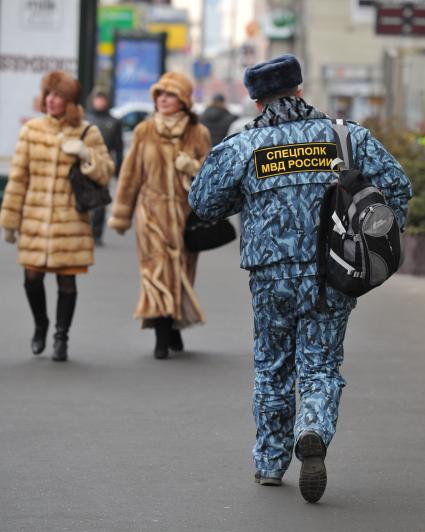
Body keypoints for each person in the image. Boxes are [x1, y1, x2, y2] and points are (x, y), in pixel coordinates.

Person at [189, 54, 412, 502]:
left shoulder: (241, 146)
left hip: (271, 276)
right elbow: (398, 187)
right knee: (321, 365)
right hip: (335, 269)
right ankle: (312, 427)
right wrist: (376, 243)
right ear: (299, 90)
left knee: (272, 367)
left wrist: (250, 197)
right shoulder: (346, 136)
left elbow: (204, 204)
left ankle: (270, 462)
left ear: (256, 103)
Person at [0, 71, 115, 362]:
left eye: (59, 96)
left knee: (67, 281)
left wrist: (85, 155)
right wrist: (10, 220)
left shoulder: (87, 131)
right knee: (31, 277)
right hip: (35, 217)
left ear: (71, 101)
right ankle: (41, 324)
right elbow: (18, 179)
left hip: (70, 219)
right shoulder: (32, 130)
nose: (51, 100)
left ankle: (61, 336)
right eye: (48, 95)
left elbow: (105, 172)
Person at [108, 72, 211, 360]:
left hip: (185, 216)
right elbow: (130, 175)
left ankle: (173, 325)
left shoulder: (198, 133)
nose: (163, 100)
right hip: (151, 213)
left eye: (170, 95)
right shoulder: (144, 131)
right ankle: (161, 337)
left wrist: (193, 166)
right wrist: (122, 214)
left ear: (184, 101)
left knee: (180, 274)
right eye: (159, 95)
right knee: (155, 273)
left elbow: (213, 174)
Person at [85, 86, 123, 246]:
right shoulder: (85, 119)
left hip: (103, 165)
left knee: (100, 201)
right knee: (83, 199)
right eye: (97, 99)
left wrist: (118, 169)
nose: (100, 102)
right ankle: (83, 231)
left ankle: (96, 233)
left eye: (103, 99)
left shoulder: (113, 121)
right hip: (84, 164)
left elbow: (118, 147)